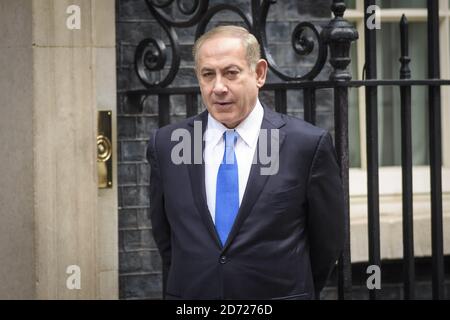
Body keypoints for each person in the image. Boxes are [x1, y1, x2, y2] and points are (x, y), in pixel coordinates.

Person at [146, 25, 345, 300]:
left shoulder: (306, 145)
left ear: (259, 73)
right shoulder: (167, 145)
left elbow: (327, 243)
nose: (218, 87)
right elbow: (166, 238)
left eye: (231, 73)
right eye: (208, 75)